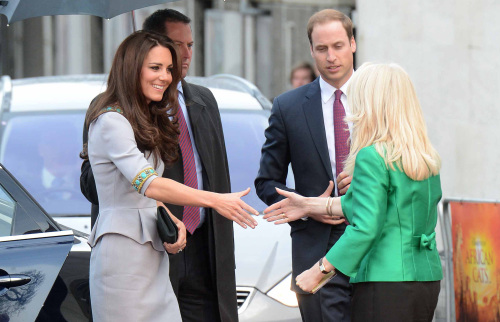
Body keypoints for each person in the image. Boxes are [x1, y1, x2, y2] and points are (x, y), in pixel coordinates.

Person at [81, 9, 247, 322]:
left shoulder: (145, 118)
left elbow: (147, 193)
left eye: (167, 68)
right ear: (132, 68)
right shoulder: (111, 121)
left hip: (155, 248)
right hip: (123, 255)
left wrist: (169, 215)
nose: (165, 76)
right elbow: (147, 182)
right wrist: (215, 199)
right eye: (155, 67)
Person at [264, 62, 443, 322]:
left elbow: (366, 226)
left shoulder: (373, 156)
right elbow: (384, 207)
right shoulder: (425, 157)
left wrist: (320, 269)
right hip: (425, 280)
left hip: (384, 281)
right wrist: (311, 205)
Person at [255, 9, 356, 321]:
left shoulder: (378, 98)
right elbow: (266, 181)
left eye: (338, 46)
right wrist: (310, 205)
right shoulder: (288, 106)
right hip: (317, 247)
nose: (331, 57)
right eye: (322, 49)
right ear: (311, 50)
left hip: (377, 242)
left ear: (353, 44)